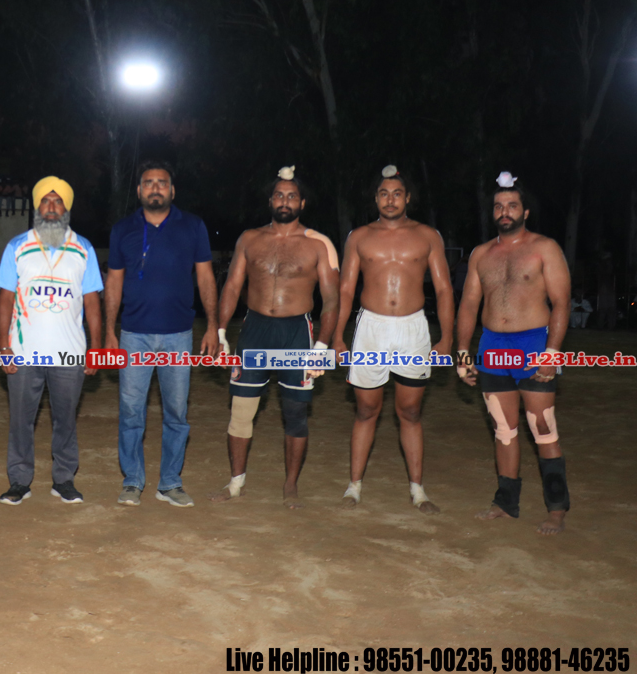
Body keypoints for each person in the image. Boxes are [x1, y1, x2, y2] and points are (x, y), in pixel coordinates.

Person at [211, 166, 339, 509]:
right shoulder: (249, 239)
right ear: (270, 201)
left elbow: (332, 299)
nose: (285, 201)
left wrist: (321, 347)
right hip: (254, 330)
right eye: (279, 195)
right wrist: (221, 333)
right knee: (241, 411)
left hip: (296, 333)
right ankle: (235, 483)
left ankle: (291, 485)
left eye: (292, 196)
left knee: (295, 412)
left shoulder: (318, 244)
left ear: (302, 203)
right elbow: (232, 286)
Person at [332, 166, 454, 513]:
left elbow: (444, 289)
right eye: (384, 194)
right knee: (366, 409)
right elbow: (345, 289)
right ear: (375, 199)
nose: (390, 200)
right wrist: (338, 336)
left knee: (411, 411)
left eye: (397, 193)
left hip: (413, 329)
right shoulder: (359, 237)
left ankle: (418, 490)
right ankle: (354, 486)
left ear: (408, 198)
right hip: (371, 328)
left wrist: (446, 338)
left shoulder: (428, 236)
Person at [456, 172, 571, 536]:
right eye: (498, 206)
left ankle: (556, 509)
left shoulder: (544, 248)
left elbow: (561, 302)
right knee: (503, 429)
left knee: (543, 427)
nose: (504, 211)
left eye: (512, 205)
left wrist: (552, 353)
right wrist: (462, 351)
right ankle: (506, 502)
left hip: (534, 345)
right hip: (492, 346)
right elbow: (468, 304)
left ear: (526, 211)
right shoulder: (481, 254)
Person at [105, 161, 220, 508]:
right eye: (148, 183)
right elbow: (114, 281)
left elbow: (205, 277)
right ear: (139, 190)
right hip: (133, 335)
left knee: (177, 413)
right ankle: (132, 481)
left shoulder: (193, 226)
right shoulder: (122, 229)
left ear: (172, 190)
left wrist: (212, 326)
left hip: (178, 335)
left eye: (162, 183)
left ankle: (170, 483)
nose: (155, 188)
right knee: (131, 413)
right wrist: (110, 331)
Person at [0, 177, 103, 505]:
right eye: (46, 201)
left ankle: (64, 480)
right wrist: (3, 345)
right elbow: (5, 299)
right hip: (23, 351)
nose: (52, 207)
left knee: (65, 420)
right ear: (37, 207)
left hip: (70, 353)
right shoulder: (17, 246)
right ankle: (19, 481)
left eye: (58, 201)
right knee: (21, 420)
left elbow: (92, 302)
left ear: (66, 208)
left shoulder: (83, 248)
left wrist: (96, 348)